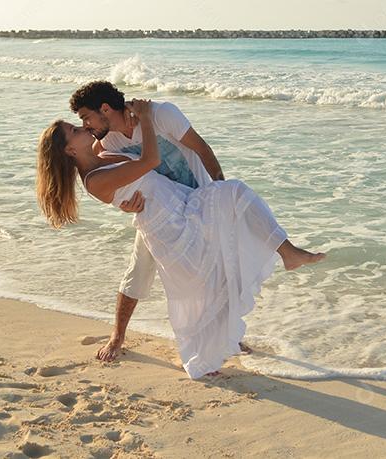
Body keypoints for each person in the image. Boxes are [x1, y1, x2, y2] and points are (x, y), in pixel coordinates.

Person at [36, 99, 326, 379]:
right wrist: (147, 118)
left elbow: (124, 168)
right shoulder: (95, 179)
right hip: (169, 226)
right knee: (199, 285)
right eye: (74, 130)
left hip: (184, 205)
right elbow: (150, 161)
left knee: (232, 209)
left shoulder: (102, 153)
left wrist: (131, 121)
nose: (82, 126)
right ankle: (203, 355)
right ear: (70, 151)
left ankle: (283, 258)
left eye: (82, 120)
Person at [69, 81, 218, 361]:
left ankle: (230, 336)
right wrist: (125, 207)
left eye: (86, 118)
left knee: (215, 268)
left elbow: (202, 149)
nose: (86, 126)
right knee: (139, 270)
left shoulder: (162, 115)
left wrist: (220, 192)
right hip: (159, 213)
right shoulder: (107, 140)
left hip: (199, 199)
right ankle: (118, 335)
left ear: (105, 109)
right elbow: (111, 180)